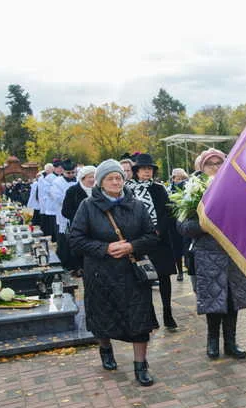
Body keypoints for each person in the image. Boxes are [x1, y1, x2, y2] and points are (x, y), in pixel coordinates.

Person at [69, 159, 159, 386]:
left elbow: (152, 236)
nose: (116, 181)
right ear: (100, 182)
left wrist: (131, 246)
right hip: (101, 273)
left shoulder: (136, 205)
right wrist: (104, 248)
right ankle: (105, 349)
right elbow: (76, 239)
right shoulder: (88, 206)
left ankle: (141, 365)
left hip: (132, 272)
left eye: (119, 177)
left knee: (140, 319)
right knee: (102, 316)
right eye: (110, 178)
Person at [177, 149, 246, 359]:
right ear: (201, 168)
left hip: (233, 253)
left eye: (219, 162)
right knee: (213, 301)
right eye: (209, 164)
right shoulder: (193, 191)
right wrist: (206, 225)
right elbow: (183, 227)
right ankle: (212, 342)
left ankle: (231, 343)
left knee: (233, 300)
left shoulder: (237, 187)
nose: (215, 167)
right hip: (208, 254)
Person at [126, 153, 179, 329]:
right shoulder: (128, 189)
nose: (147, 172)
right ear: (137, 172)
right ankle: (149, 315)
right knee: (144, 278)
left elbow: (168, 211)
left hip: (160, 240)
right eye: (143, 169)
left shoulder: (158, 188)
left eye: (149, 169)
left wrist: (159, 230)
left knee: (164, 277)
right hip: (140, 240)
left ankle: (168, 313)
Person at [61, 165, 96, 276]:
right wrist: (81, 217)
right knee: (80, 249)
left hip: (97, 227)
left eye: (94, 177)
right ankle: (79, 268)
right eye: (89, 177)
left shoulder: (99, 190)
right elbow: (65, 211)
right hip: (79, 227)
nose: (92, 180)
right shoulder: (73, 191)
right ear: (82, 178)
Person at [167, 168, 189, 281]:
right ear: (173, 179)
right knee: (176, 248)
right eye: (177, 178)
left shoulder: (188, 188)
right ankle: (180, 271)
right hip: (173, 223)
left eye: (182, 178)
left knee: (186, 246)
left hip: (185, 220)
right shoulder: (168, 189)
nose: (179, 180)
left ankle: (187, 267)